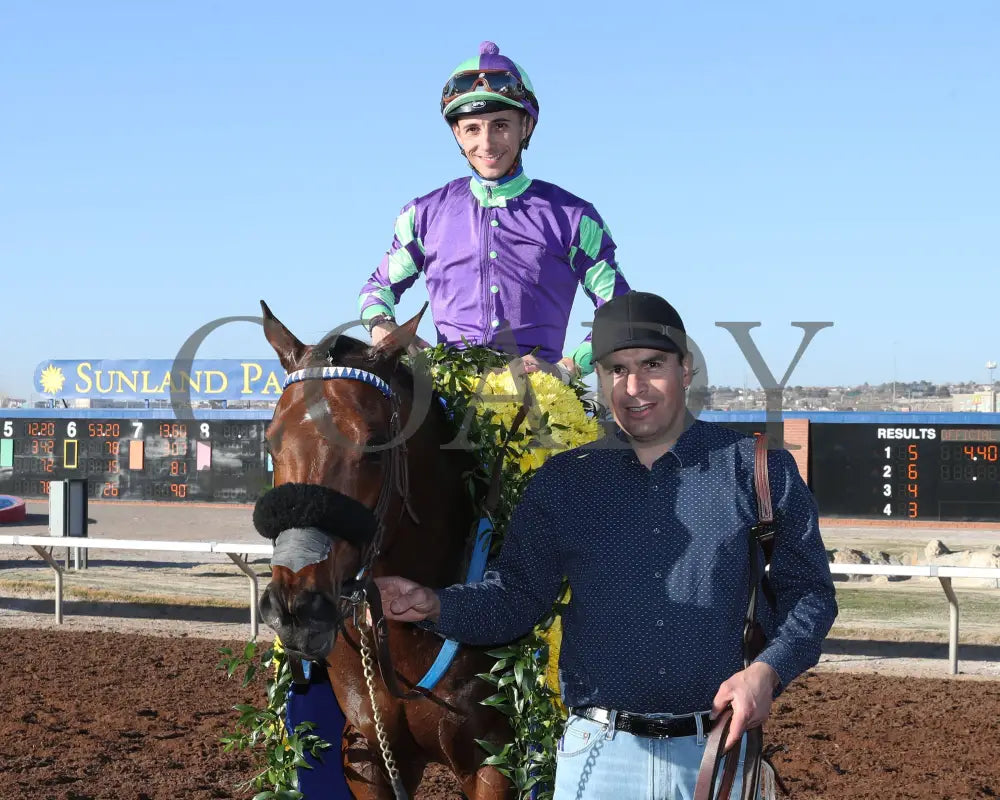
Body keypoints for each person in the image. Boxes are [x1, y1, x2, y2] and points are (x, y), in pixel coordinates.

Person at [375, 290, 838, 799]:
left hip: (718, 756)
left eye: (651, 364)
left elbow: (810, 594)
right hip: (598, 760)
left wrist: (767, 673)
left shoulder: (759, 471)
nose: (634, 386)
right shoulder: (563, 483)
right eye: (616, 369)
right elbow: (513, 601)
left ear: (686, 369)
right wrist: (433, 603)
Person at [358, 41, 631, 382]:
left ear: (525, 128)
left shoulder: (574, 217)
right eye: (472, 128)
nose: (486, 144)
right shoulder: (423, 215)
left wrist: (568, 368)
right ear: (457, 134)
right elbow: (376, 291)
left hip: (539, 404)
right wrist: (384, 327)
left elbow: (619, 309)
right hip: (446, 398)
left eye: (500, 125)